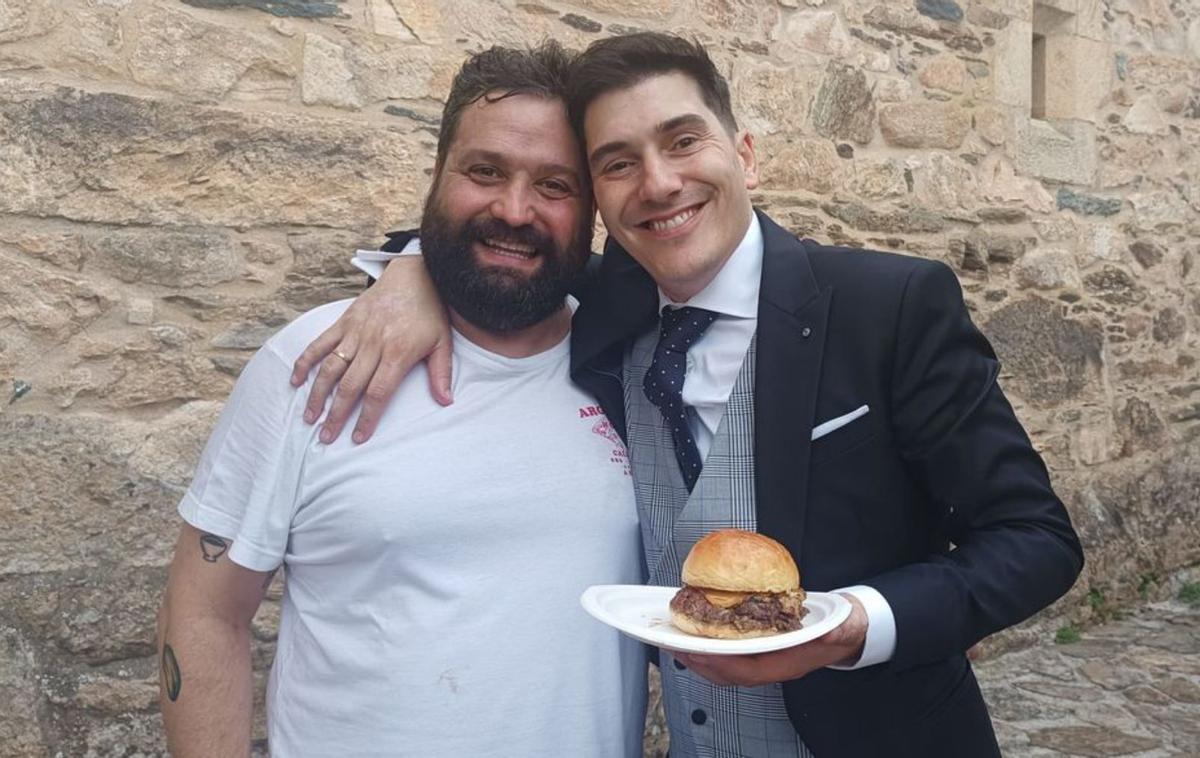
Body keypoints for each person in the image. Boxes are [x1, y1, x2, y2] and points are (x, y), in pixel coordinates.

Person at [295, 33, 1084, 758]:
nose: (659, 183)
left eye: (682, 141)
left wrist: (859, 626)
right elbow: (494, 246)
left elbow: (1035, 537)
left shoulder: (892, 305)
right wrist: (412, 272)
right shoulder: (604, 316)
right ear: (598, 201)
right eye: (617, 162)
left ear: (744, 152)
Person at [156, 42, 648, 758]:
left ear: (593, 207)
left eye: (555, 185)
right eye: (485, 171)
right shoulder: (317, 359)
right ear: (438, 174)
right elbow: (205, 610)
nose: (514, 210)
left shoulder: (629, 365)